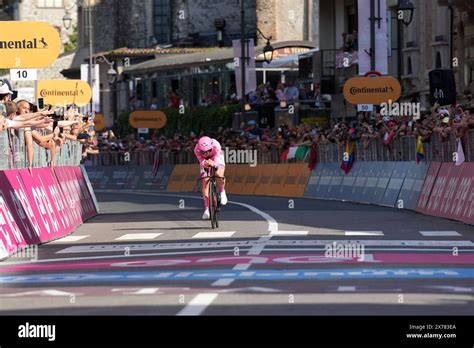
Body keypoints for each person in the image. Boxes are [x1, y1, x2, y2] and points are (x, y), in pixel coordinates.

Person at [194, 136, 227, 220]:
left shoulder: (216, 146)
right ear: (199, 149)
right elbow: (201, 160)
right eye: (203, 152)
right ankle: (206, 209)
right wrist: (205, 163)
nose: (206, 153)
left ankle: (222, 191)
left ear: (211, 147)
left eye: (208, 151)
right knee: (205, 181)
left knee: (219, 174)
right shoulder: (196, 150)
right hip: (205, 161)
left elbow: (217, 161)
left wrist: (214, 164)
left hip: (216, 158)